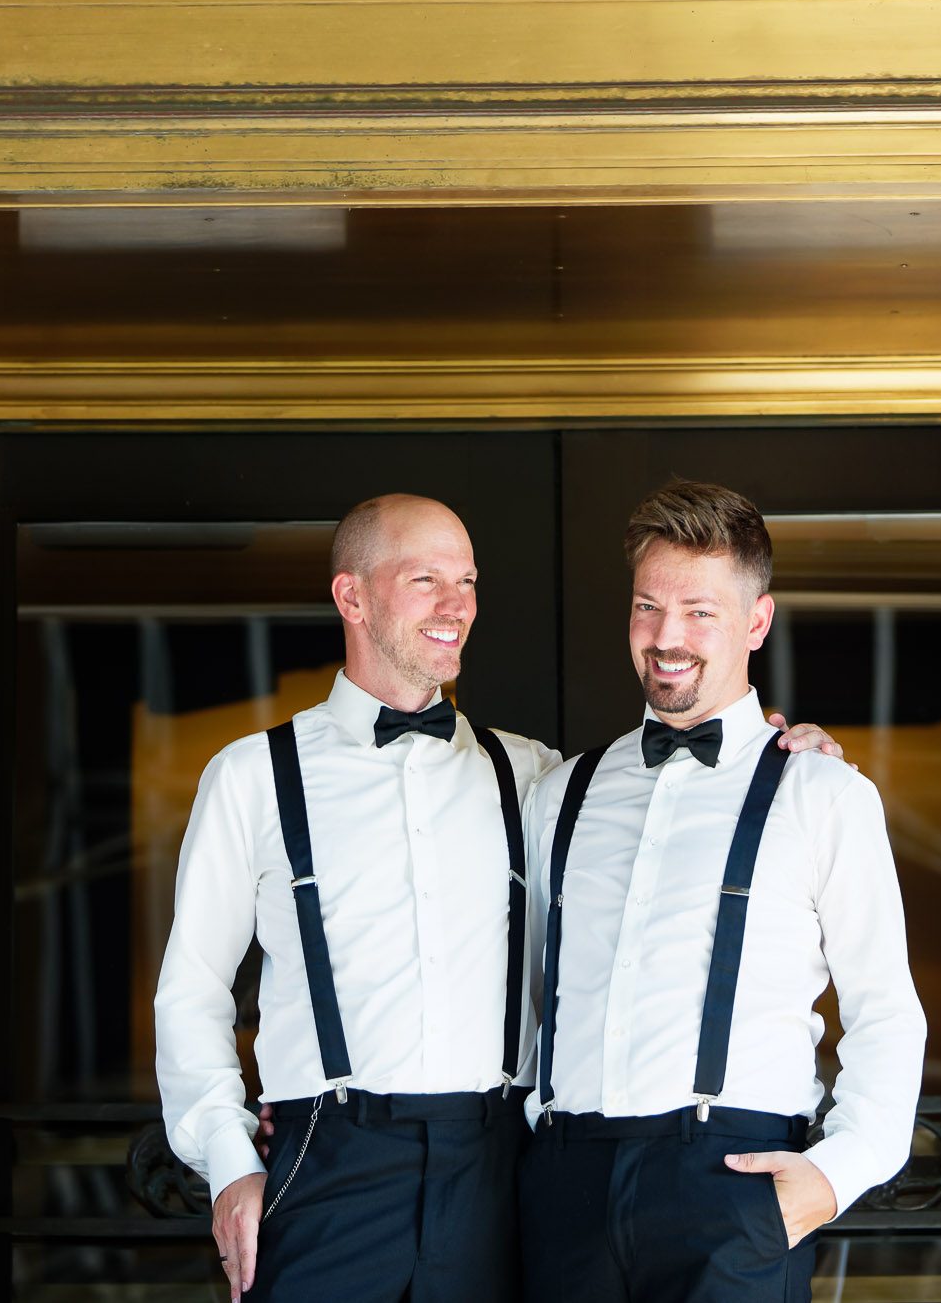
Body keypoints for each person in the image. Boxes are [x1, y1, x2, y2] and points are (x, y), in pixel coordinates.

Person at [153, 493, 842, 1303]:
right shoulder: (252, 777)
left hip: (499, 1171)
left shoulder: (534, 777)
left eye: (468, 581)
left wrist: (780, 749)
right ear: (352, 597)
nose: (456, 605)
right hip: (327, 1164)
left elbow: (664, 833)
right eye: (426, 580)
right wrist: (229, 1158)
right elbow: (192, 988)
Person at [520, 480, 927, 1303]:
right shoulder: (560, 793)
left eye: (699, 611)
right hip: (566, 1190)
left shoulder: (822, 792)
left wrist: (834, 1175)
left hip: (732, 1184)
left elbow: (886, 1010)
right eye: (647, 606)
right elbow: (529, 997)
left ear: (756, 621)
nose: (666, 636)